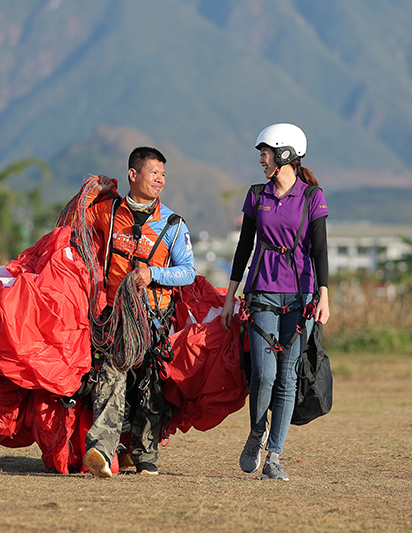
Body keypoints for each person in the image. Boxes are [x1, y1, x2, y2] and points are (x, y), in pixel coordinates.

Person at [220, 123, 330, 481]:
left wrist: (324, 297)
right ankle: (256, 433)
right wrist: (229, 295)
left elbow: (319, 250)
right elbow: (244, 247)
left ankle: (274, 457)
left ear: (284, 154)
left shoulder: (312, 197)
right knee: (263, 374)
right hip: (261, 291)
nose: (261, 160)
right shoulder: (256, 195)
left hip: (301, 296)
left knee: (287, 377)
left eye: (264, 152)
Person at [79, 146, 196, 478]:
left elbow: (187, 271)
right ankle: (100, 450)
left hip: (154, 320)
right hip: (115, 317)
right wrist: (91, 191)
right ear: (133, 174)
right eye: (153, 173)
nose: (159, 179)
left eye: (163, 175)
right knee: (111, 376)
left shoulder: (172, 223)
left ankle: (144, 456)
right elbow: (75, 224)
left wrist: (153, 274)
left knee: (148, 387)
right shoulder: (107, 212)